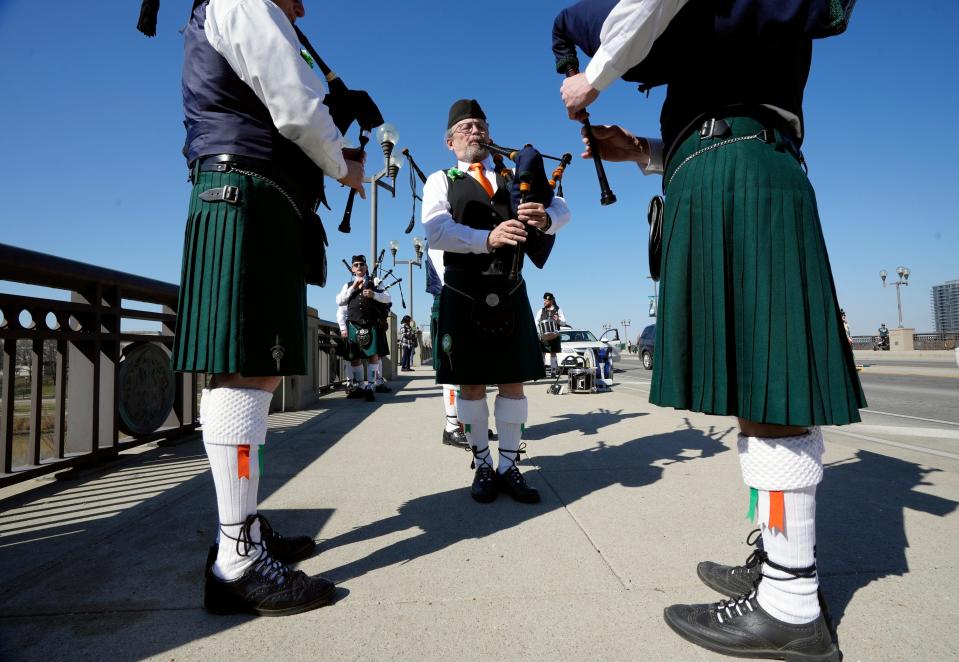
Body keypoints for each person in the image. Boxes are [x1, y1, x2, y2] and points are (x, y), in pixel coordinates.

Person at [560, 2, 865, 659]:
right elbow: (719, 92)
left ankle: (788, 603)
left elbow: (635, 18)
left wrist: (591, 72)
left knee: (770, 392)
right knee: (757, 394)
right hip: (728, 160)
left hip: (737, 171)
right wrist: (644, 150)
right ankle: (777, 559)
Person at [156, 0, 367, 616]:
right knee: (244, 372)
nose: (306, 3)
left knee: (255, 373)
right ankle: (237, 559)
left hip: (254, 196)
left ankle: (241, 524)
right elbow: (296, 106)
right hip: (244, 195)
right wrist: (344, 164)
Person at [423, 99, 571, 504]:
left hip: (509, 289)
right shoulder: (441, 180)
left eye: (481, 125)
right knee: (470, 386)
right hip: (462, 292)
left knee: (513, 383)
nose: (476, 132)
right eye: (467, 127)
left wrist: (545, 218)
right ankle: (483, 464)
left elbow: (561, 208)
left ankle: (509, 465)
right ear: (450, 141)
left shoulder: (512, 174)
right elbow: (435, 232)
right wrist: (484, 239)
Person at [335, 255, 392, 400]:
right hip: (353, 325)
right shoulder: (347, 285)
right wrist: (353, 287)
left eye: (361, 264)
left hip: (371, 324)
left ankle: (370, 387)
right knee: (355, 358)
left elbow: (388, 297)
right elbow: (339, 302)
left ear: (366, 267)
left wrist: (374, 295)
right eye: (356, 265)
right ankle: (360, 386)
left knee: (373, 357)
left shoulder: (376, 282)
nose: (359, 267)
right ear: (353, 269)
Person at [535, 292, 567, 377]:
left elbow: (564, 323)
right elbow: (536, 322)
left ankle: (553, 372)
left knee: (553, 353)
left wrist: (558, 320)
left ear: (551, 301)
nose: (544, 302)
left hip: (554, 335)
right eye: (544, 300)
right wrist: (539, 333)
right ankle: (541, 372)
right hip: (543, 335)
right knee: (542, 353)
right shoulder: (541, 310)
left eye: (546, 300)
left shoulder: (558, 310)